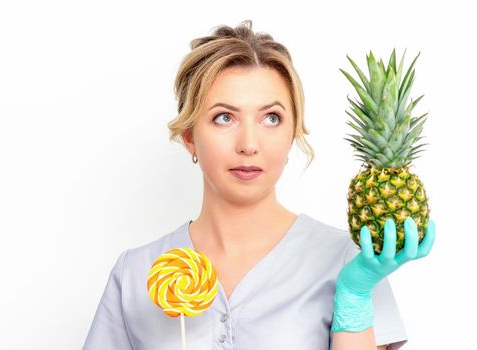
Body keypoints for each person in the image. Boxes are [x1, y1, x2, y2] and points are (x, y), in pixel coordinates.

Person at [82, 20, 436, 350]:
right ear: (190, 136)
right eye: (224, 117)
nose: (249, 144)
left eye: (271, 118)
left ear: (293, 131)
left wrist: (355, 297)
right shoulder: (135, 273)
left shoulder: (349, 262)